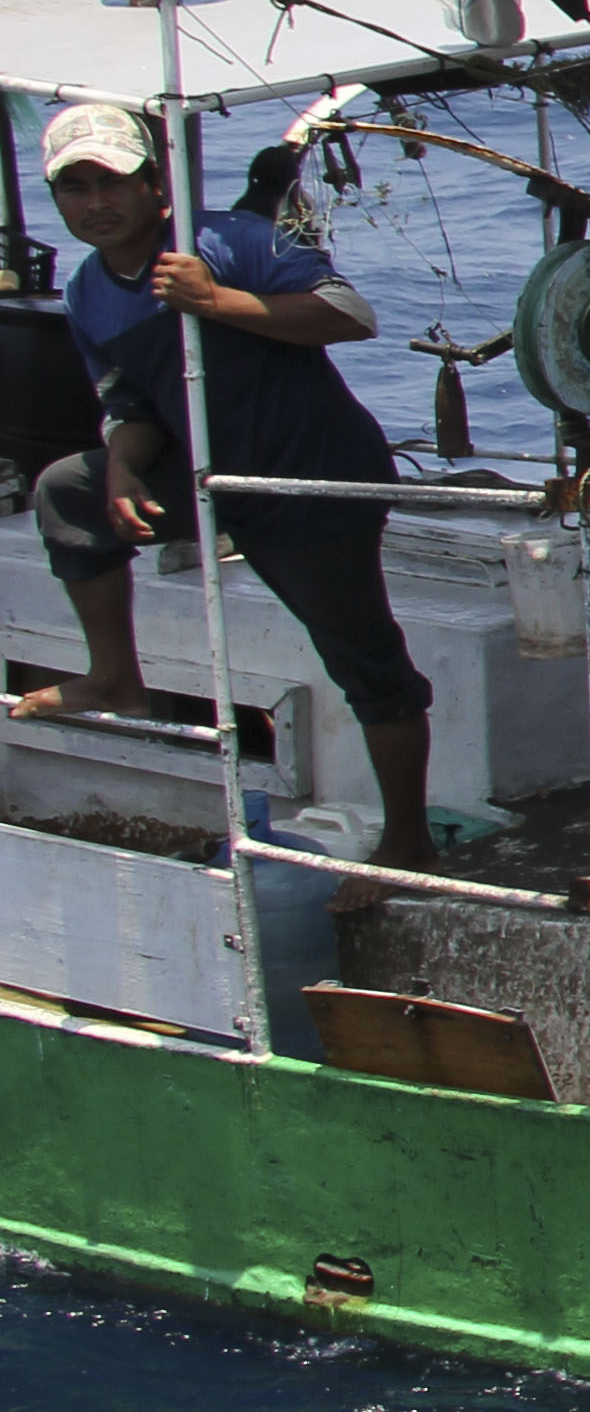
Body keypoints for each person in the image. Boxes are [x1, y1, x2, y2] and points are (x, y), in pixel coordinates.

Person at [7, 103, 433, 900]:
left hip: (308, 477)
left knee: (365, 661)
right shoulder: (88, 292)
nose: (95, 201)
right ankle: (114, 677)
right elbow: (130, 404)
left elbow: (352, 316)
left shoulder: (228, 241)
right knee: (69, 487)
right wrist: (125, 471)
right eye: (75, 187)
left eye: (113, 181)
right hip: (210, 481)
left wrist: (218, 302)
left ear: (154, 185)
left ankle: (407, 841)